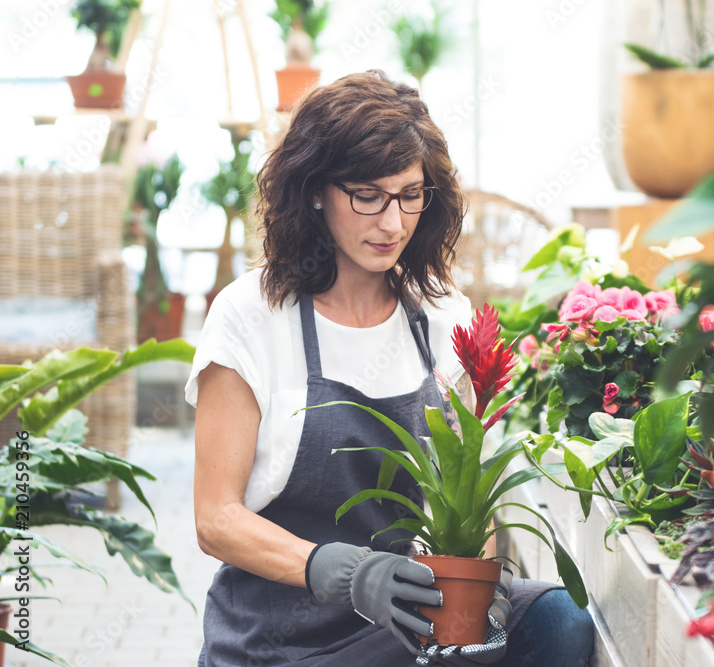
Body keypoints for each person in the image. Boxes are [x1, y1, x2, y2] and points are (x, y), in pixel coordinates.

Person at [186, 70, 594, 666]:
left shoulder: (437, 316)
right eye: (368, 195)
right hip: (278, 641)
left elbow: (466, 492)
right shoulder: (251, 316)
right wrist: (341, 569)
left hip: (405, 626)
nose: (392, 222)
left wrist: (479, 595)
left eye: (409, 194)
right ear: (315, 190)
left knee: (557, 620)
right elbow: (214, 518)